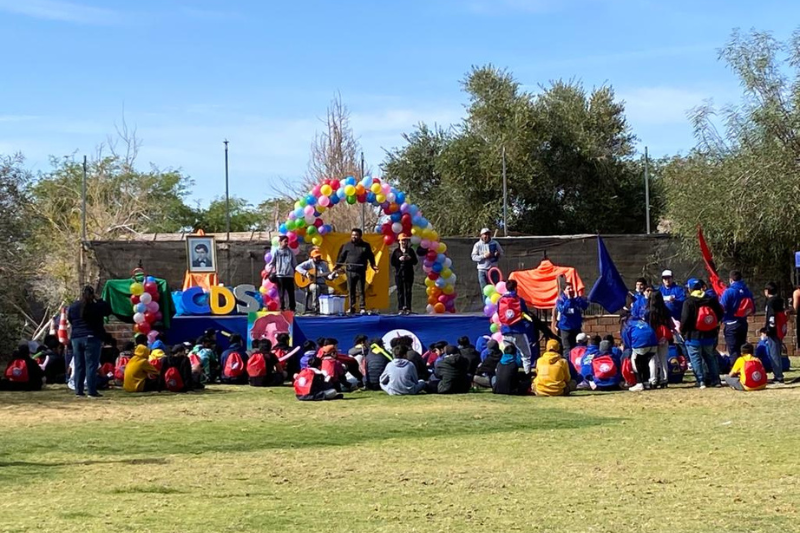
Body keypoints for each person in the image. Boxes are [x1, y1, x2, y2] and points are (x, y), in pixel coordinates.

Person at [67, 285, 112, 398]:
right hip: (92, 337)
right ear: (92, 295)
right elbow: (108, 310)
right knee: (91, 365)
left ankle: (79, 390)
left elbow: (70, 320)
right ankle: (91, 391)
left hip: (76, 338)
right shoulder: (96, 306)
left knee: (79, 364)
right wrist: (100, 299)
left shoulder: (73, 307)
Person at [680, 279, 724, 388]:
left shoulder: (688, 301)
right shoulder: (711, 299)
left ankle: (701, 381)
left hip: (693, 336)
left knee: (696, 359)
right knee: (711, 357)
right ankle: (716, 380)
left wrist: (683, 332)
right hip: (709, 334)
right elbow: (720, 312)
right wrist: (714, 324)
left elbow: (684, 320)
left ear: (690, 289)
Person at [336, 228, 378, 314]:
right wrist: (337, 266)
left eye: (356, 235)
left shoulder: (366, 246)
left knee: (361, 290)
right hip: (350, 271)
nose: (354, 237)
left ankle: (362, 307)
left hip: (361, 271)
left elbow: (371, 257)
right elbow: (342, 257)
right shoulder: (347, 245)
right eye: (352, 235)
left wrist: (373, 265)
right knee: (351, 290)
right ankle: (352, 307)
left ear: (360, 236)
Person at [497, 279, 535, 373]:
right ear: (515, 288)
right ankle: (527, 376)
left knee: (508, 356)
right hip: (518, 331)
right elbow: (524, 313)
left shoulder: (500, 300)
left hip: (505, 332)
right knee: (526, 356)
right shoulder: (519, 300)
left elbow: (499, 313)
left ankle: (508, 375)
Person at [719, 270, 755, 362]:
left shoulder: (729, 291)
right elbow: (752, 309)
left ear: (731, 280)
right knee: (742, 347)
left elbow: (721, 307)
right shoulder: (747, 291)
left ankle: (736, 371)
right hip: (743, 323)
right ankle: (744, 369)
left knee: (733, 350)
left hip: (731, 323)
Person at [296, 247, 335, 314]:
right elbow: (297, 267)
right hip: (311, 284)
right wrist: (306, 273)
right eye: (316, 257)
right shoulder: (309, 263)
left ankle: (327, 309)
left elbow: (328, 277)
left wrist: (332, 275)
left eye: (319, 256)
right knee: (316, 288)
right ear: (312, 257)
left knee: (331, 290)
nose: (318, 258)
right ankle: (315, 308)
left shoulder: (324, 264)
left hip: (323, 284)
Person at [622, 319, 659, 391]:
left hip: (640, 344)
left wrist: (630, 347)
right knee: (645, 362)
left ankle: (639, 383)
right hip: (653, 343)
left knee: (635, 362)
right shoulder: (643, 322)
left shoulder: (627, 324)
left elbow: (626, 339)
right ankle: (646, 382)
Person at [555, 283, 589, 357]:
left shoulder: (576, 299)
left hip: (576, 327)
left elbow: (585, 306)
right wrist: (569, 300)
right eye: (568, 289)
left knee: (578, 347)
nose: (571, 290)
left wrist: (579, 298)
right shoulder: (560, 300)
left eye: (571, 288)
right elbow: (563, 310)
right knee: (567, 348)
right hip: (565, 328)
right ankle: (568, 365)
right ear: (564, 291)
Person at [763, 281, 786, 383]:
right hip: (780, 329)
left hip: (773, 330)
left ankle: (778, 376)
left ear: (767, 291)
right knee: (778, 351)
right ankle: (779, 373)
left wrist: (769, 329)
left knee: (774, 353)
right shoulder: (780, 300)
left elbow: (771, 317)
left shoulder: (770, 302)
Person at [649, 291, 673, 388]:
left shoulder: (649, 312)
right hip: (663, 336)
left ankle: (653, 380)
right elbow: (669, 323)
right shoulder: (666, 310)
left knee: (653, 360)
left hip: (653, 337)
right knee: (663, 359)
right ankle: (664, 380)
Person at [267, 236, 298, 312]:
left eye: (287, 241)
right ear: (280, 242)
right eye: (285, 241)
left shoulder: (290, 252)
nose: (286, 243)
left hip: (289, 275)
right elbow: (272, 263)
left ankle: (292, 308)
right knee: (281, 293)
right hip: (280, 275)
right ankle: (282, 308)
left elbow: (294, 263)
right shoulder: (277, 252)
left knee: (291, 293)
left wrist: (297, 272)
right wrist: (269, 272)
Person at [391, 234, 418, 314]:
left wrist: (410, 258)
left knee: (408, 291)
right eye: (402, 240)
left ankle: (408, 308)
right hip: (399, 274)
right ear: (399, 241)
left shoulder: (410, 251)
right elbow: (392, 263)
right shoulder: (396, 251)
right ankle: (401, 308)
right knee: (400, 292)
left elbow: (415, 262)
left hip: (409, 274)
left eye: (405, 240)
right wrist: (399, 259)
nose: (404, 242)